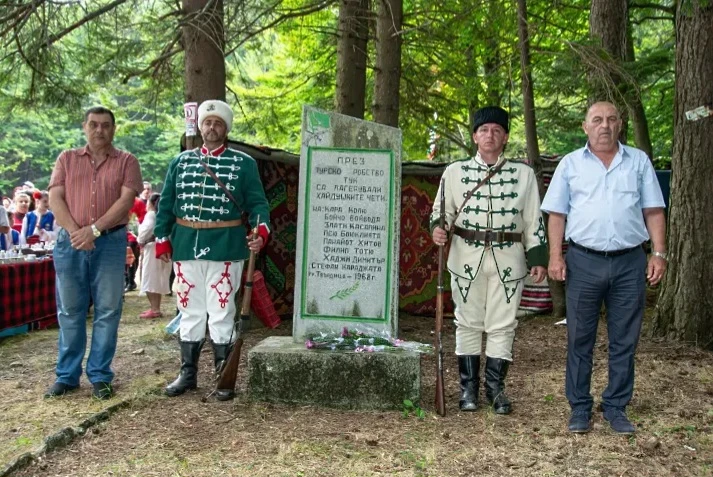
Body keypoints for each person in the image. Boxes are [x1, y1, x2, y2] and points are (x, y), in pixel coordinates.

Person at [541, 101, 666, 435]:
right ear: (586, 127)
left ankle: (615, 406)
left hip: (630, 262)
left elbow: (654, 210)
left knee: (624, 339)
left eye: (611, 119)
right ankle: (580, 407)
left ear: (620, 124)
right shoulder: (570, 165)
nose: (605, 126)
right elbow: (557, 214)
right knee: (580, 337)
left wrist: (659, 253)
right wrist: (556, 255)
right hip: (583, 261)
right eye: (597, 120)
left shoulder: (638, 161)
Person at [431, 106, 548, 414]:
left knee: (503, 325)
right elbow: (441, 212)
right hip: (465, 257)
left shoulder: (523, 175)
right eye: (484, 130)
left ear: (506, 137)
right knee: (467, 323)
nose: (490, 135)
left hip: (508, 260)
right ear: (474, 136)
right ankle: (468, 389)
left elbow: (534, 218)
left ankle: (495, 390)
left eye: (497, 130)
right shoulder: (454, 173)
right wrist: (439, 228)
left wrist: (537, 256)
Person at [154, 99, 270, 400]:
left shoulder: (245, 164)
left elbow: (258, 204)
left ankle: (223, 371)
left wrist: (259, 233)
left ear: (226, 128)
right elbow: (166, 203)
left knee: (221, 311)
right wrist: (162, 238)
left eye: (218, 123)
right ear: (200, 126)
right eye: (207, 122)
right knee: (190, 310)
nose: (212, 127)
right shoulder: (180, 163)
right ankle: (187, 373)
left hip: (226, 246)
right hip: (185, 245)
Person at [45, 106, 143, 400]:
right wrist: (78, 232)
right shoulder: (66, 158)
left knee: (108, 311)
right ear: (84, 127)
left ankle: (100, 375)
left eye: (105, 125)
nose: (99, 130)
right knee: (70, 311)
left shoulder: (127, 161)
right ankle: (67, 376)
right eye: (94, 125)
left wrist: (94, 231)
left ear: (114, 129)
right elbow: (55, 197)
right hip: (69, 243)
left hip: (110, 244)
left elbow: (126, 201)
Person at [137, 192, 171, 318]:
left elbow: (144, 232)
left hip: (152, 249)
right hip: (162, 247)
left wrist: (140, 240)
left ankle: (154, 308)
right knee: (157, 278)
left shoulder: (151, 215)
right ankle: (155, 307)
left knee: (151, 278)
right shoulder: (163, 215)